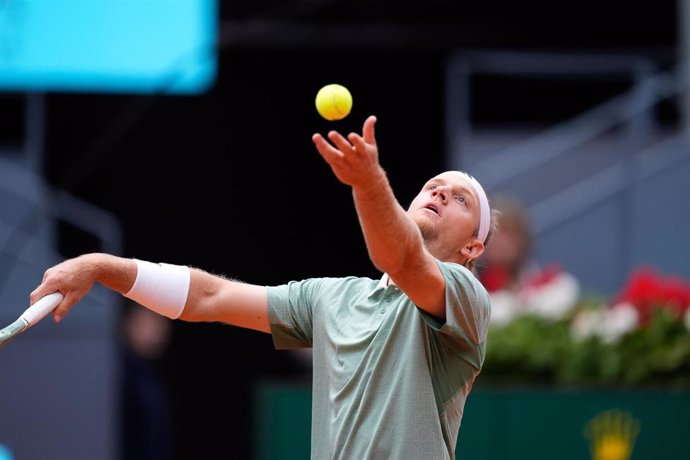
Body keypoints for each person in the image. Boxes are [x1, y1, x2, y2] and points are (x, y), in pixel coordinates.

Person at [31, 115, 497, 459]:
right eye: (434, 186)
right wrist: (101, 266)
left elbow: (399, 258)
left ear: (473, 248)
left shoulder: (466, 298)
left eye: (459, 200)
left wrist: (368, 183)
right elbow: (207, 298)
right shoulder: (332, 298)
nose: (439, 194)